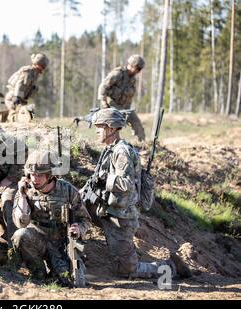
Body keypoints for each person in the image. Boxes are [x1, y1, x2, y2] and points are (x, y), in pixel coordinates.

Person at [82, 108, 191, 279]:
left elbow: (126, 184)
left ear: (111, 128)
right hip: (107, 210)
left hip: (120, 217)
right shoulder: (109, 149)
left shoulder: (121, 152)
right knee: (73, 209)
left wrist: (106, 179)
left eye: (100, 126)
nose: (96, 130)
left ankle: (170, 266)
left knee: (126, 271)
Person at [12, 150, 92, 287]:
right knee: (20, 235)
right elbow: (21, 222)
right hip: (37, 239)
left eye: (40, 175)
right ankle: (38, 273)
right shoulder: (26, 191)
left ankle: (57, 272)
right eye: (32, 175)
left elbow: (86, 220)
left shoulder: (68, 191)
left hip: (61, 244)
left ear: (50, 175)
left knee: (68, 281)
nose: (35, 179)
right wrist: (23, 196)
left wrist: (79, 229)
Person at [98, 55, 146, 142]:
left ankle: (143, 144)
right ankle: (112, 142)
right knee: (115, 125)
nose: (138, 71)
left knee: (136, 122)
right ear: (132, 65)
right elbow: (103, 86)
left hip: (124, 108)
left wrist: (128, 110)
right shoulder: (118, 74)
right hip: (112, 105)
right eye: (138, 68)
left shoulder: (132, 79)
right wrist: (104, 103)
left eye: (140, 69)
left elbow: (129, 96)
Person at [0, 53, 49, 123]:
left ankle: (6, 116)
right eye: (43, 66)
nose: (43, 69)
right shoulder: (28, 72)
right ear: (39, 64)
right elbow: (19, 83)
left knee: (28, 114)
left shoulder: (35, 74)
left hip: (20, 100)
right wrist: (16, 97)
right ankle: (4, 117)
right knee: (19, 116)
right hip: (13, 98)